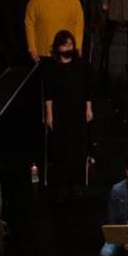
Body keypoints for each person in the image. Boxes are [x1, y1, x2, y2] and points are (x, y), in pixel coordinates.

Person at [41, 30, 97, 196]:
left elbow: (87, 90)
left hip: (77, 111)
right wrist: (49, 114)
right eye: (64, 45)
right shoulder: (52, 68)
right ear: (58, 47)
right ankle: (62, 184)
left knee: (78, 147)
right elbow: (49, 94)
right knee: (61, 148)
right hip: (59, 112)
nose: (68, 48)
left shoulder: (81, 66)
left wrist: (89, 109)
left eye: (70, 45)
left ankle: (77, 183)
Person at [24, 0, 85, 64]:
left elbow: (79, 21)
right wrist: (32, 48)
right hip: (44, 53)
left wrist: (78, 46)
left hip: (67, 52)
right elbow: (29, 24)